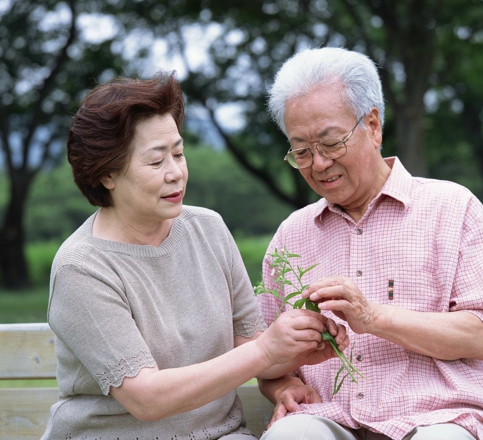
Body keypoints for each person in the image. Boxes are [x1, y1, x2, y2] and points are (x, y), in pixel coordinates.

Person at [41, 72, 349, 440]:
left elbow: (247, 343)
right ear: (106, 174)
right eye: (156, 162)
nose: (176, 173)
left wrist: (295, 355)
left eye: (178, 153)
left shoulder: (209, 229)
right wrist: (267, 351)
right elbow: (147, 398)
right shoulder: (82, 267)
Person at [256, 47, 483, 440]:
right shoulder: (292, 235)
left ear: (373, 126)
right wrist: (282, 387)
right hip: (333, 420)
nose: (318, 164)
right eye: (301, 151)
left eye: (331, 143)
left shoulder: (452, 208)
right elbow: (266, 355)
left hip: (440, 420)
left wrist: (373, 318)